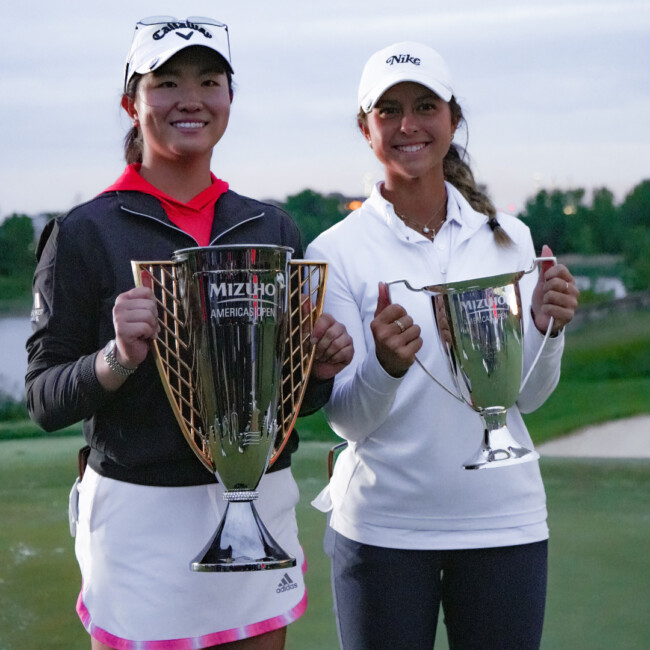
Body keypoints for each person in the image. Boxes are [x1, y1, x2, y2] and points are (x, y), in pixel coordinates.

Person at [25, 16, 352, 650]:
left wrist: (318, 370)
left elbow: (290, 406)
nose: (190, 98)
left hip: (257, 507)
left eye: (209, 80)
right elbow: (42, 397)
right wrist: (116, 358)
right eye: (166, 82)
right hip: (140, 519)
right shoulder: (86, 231)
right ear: (132, 101)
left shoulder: (269, 228)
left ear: (230, 97)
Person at [305, 41, 579, 650]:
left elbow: (527, 399)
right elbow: (348, 419)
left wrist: (546, 330)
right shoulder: (335, 250)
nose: (409, 125)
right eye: (390, 110)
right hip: (382, 530)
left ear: (453, 119)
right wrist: (385, 366)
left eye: (425, 106)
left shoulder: (510, 237)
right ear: (365, 129)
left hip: (504, 521)